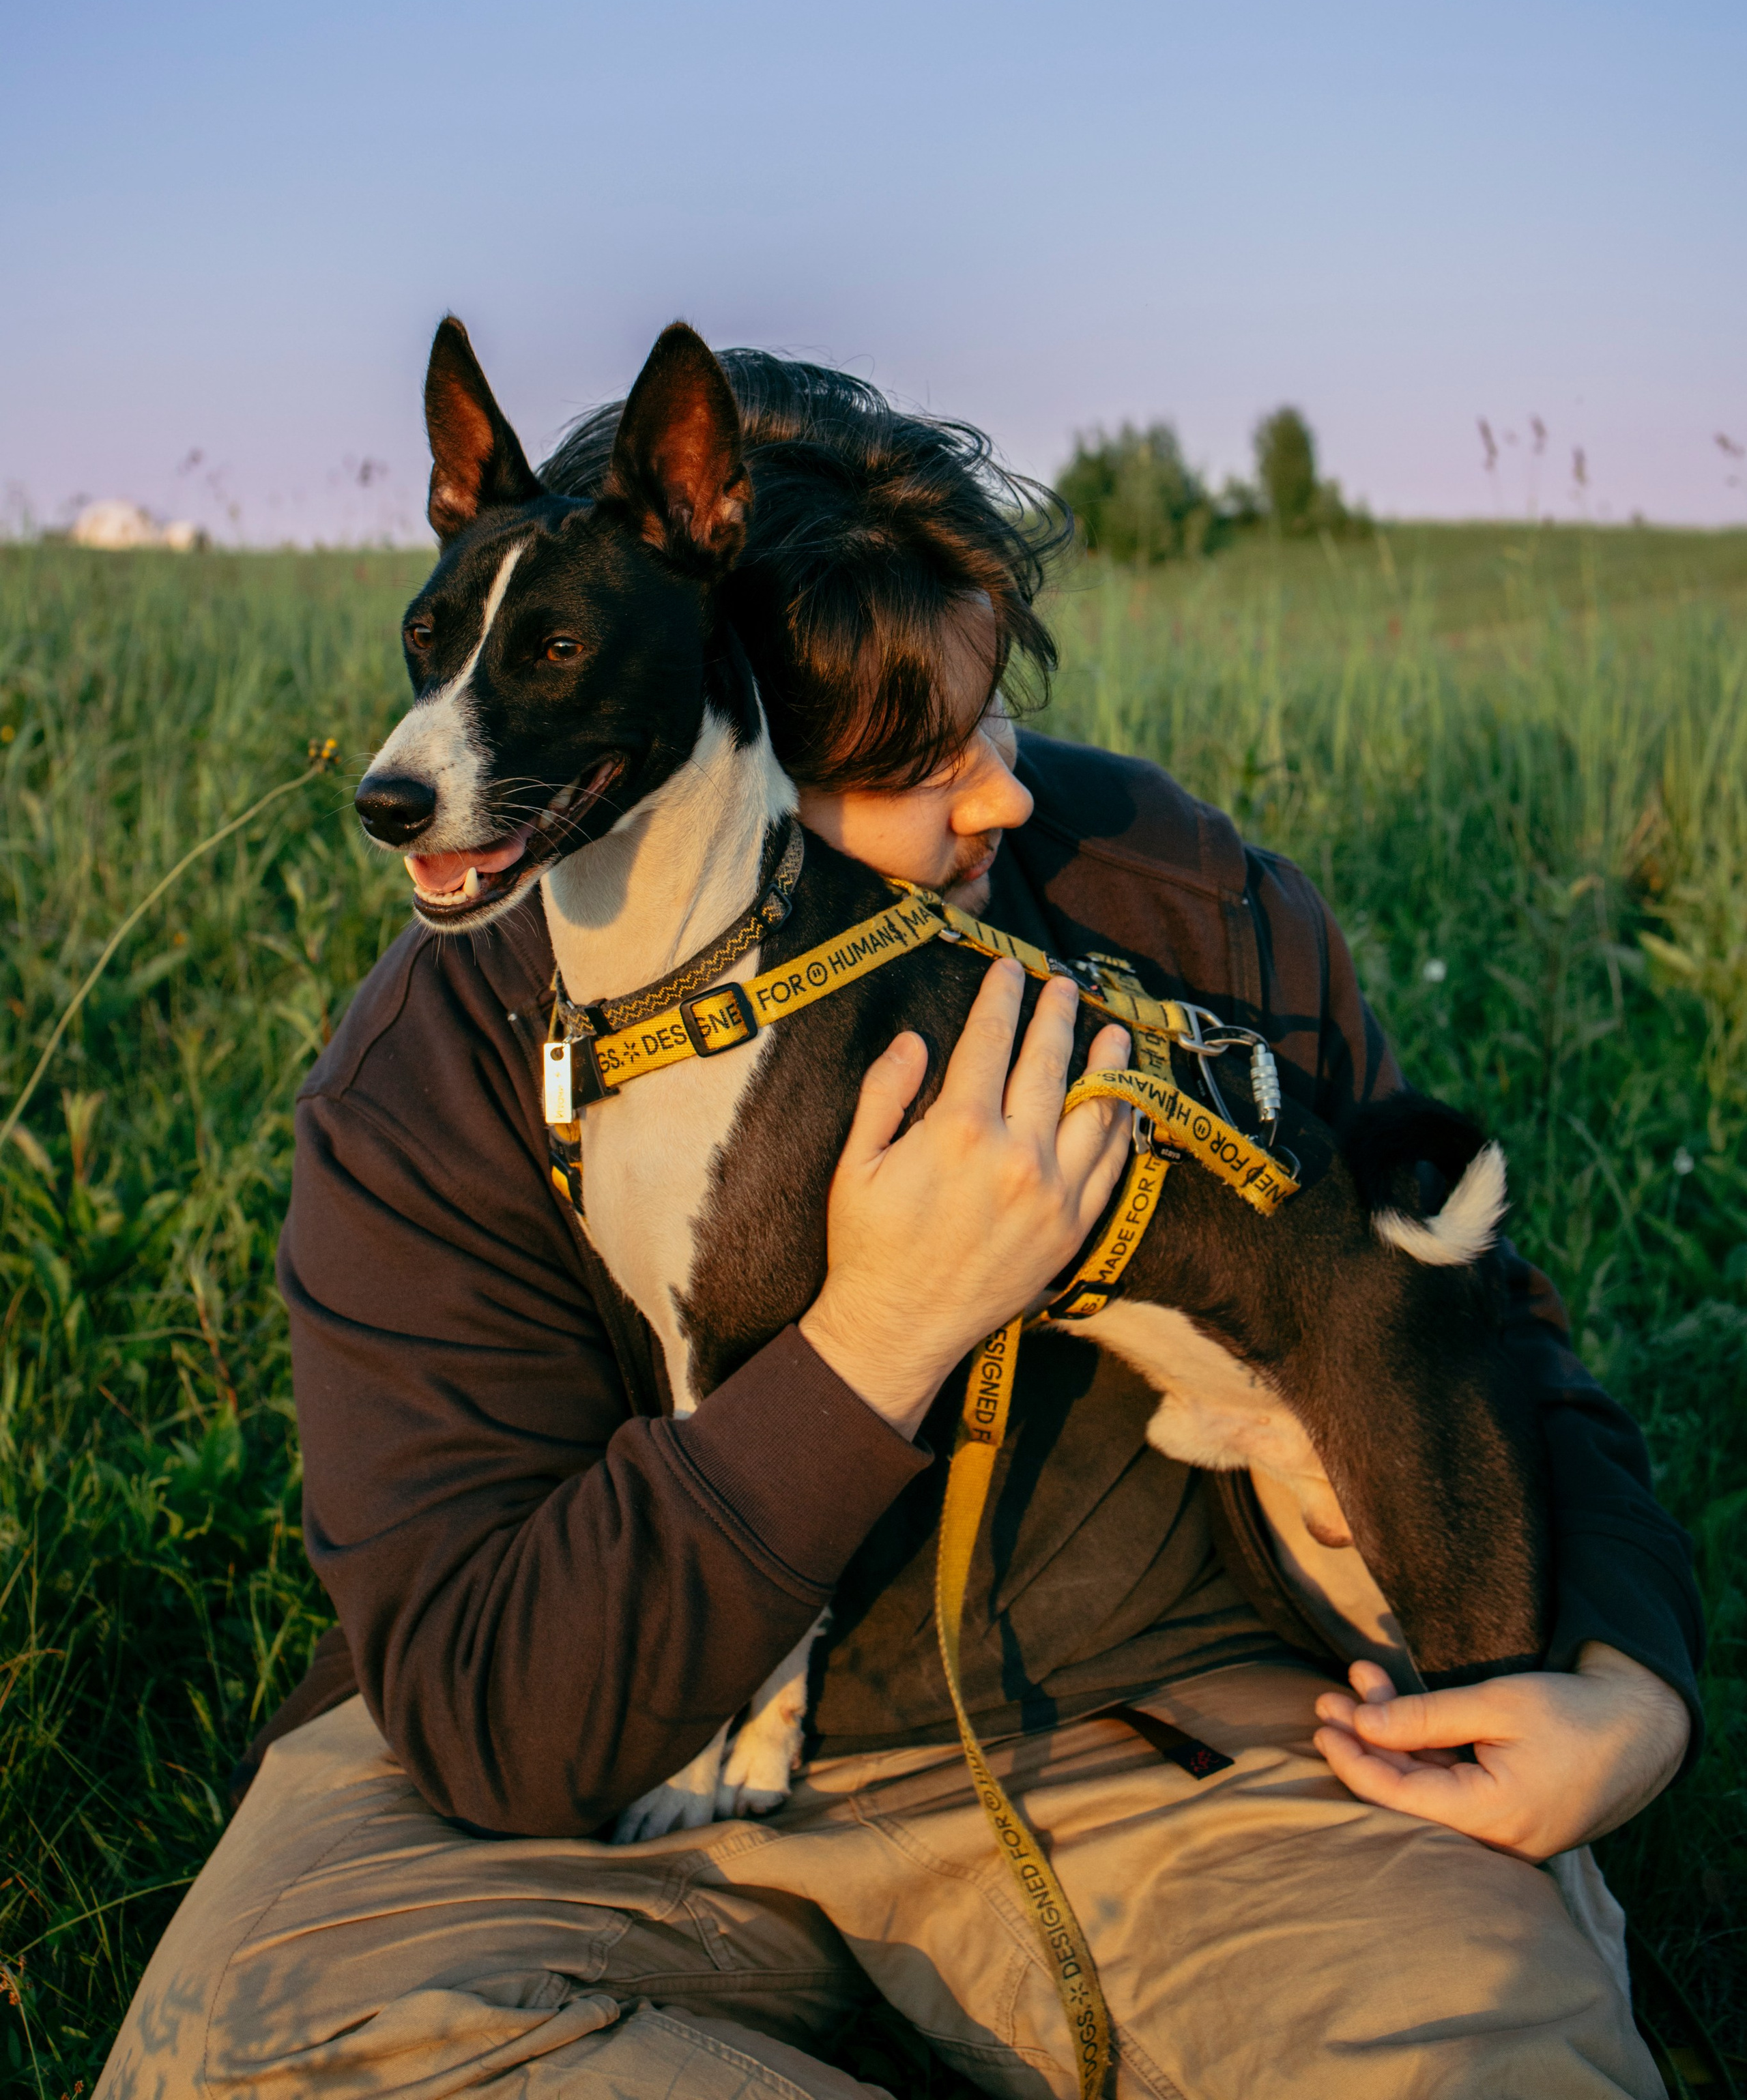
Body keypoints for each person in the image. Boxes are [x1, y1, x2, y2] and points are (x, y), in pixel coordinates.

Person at [98, 355, 1701, 2100]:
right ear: (709, 749)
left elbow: (1481, 1333)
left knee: (1477, 2062)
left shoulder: (1161, 897)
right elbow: (485, 1708)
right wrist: (875, 1340)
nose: (1002, 795)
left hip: (1146, 1744)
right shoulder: (435, 1071)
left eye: (991, 708)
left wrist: (1626, 1679)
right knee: (279, 2060)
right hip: (570, 1787)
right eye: (920, 757)